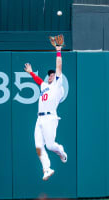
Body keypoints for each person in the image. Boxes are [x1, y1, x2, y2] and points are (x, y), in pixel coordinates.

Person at [24, 38, 68, 181]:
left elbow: (59, 67)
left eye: (53, 74)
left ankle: (61, 151)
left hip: (50, 117)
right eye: (50, 75)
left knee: (50, 146)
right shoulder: (45, 86)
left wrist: (58, 51)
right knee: (38, 146)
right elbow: (39, 81)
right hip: (40, 119)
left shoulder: (58, 85)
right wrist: (31, 72)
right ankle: (47, 169)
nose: (51, 76)